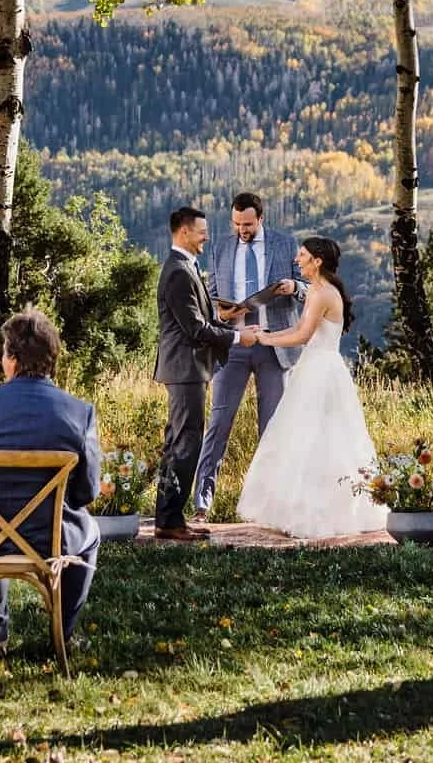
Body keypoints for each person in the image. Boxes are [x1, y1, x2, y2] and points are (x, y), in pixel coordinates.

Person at [0, 310, 103, 652]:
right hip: (51, 539)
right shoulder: (79, 412)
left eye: (4, 353)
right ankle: (63, 634)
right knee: (90, 533)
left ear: (12, 359)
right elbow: (87, 492)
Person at [240, 237, 389, 539]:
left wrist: (263, 339)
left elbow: (302, 335)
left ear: (317, 261)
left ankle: (320, 511)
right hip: (316, 367)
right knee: (308, 436)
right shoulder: (319, 290)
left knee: (318, 437)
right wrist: (266, 334)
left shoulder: (321, 293)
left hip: (320, 371)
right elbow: (297, 329)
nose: (297, 260)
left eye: (303, 255)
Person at [152, 206, 258, 541]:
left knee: (180, 441)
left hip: (188, 368)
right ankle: (170, 522)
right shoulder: (179, 272)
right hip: (185, 369)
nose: (206, 237)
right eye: (201, 231)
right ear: (184, 232)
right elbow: (195, 328)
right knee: (185, 443)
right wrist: (239, 337)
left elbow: (201, 319)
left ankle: (169, 517)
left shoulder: (185, 267)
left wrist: (225, 319)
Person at [194, 192, 304, 516]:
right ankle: (202, 502)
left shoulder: (285, 244)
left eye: (248, 225)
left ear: (261, 219)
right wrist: (222, 313)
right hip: (234, 345)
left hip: (274, 345)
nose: (242, 230)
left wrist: (294, 288)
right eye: (237, 224)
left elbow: (310, 288)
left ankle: (272, 504)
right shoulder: (221, 249)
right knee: (218, 423)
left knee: (272, 429)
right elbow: (211, 298)